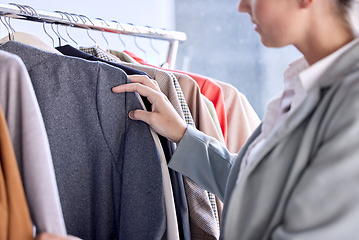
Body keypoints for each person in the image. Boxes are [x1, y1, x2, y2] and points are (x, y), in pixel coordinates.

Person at [112, 0, 359, 239]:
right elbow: (256, 189)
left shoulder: (351, 105)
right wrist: (181, 134)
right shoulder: (305, 83)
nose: (242, 6)